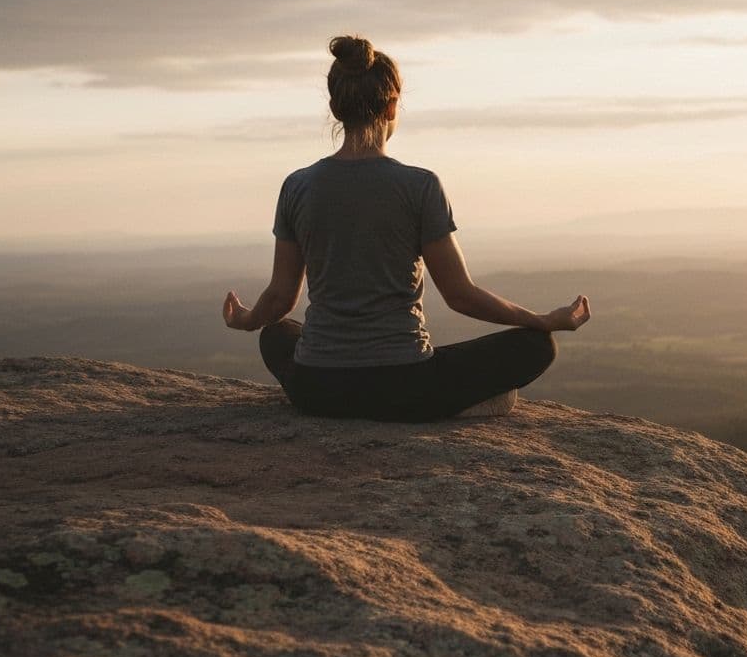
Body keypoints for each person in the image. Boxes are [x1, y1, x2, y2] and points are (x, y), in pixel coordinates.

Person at [222, 35, 590, 421]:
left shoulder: (297, 186)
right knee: (538, 346)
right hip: (404, 388)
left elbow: (280, 299)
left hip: (317, 388)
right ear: (393, 106)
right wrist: (543, 320)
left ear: (335, 107)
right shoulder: (420, 186)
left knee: (275, 335)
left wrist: (246, 319)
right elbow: (461, 295)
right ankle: (456, 404)